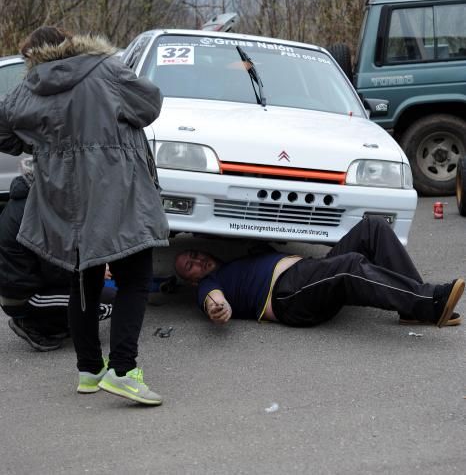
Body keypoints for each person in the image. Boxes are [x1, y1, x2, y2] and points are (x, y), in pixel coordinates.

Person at [0, 26, 169, 406]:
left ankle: (89, 369)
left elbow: (4, 129)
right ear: (71, 42)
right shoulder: (104, 70)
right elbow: (150, 104)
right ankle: (124, 371)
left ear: (32, 56)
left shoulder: (27, 88)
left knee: (83, 281)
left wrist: (39, 142)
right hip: (118, 192)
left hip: (65, 201)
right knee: (136, 280)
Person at [174, 217, 464, 329]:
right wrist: (218, 307)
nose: (197, 261)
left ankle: (411, 308)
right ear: (192, 280)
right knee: (350, 266)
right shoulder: (210, 284)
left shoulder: (237, 261)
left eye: (196, 255)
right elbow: (213, 299)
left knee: (372, 228)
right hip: (289, 297)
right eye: (190, 265)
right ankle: (428, 302)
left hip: (307, 273)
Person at [0, 169, 113, 352]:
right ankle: (33, 325)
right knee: (105, 302)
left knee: (91, 290)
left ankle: (57, 323)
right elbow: (55, 268)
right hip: (24, 296)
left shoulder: (27, 200)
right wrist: (91, 271)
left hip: (19, 287)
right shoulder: (35, 211)